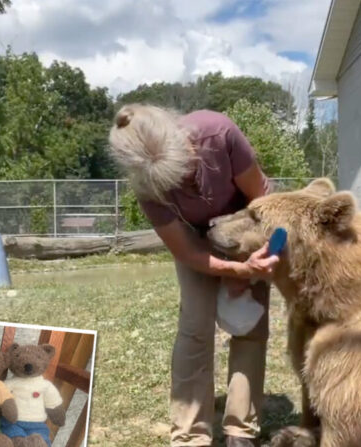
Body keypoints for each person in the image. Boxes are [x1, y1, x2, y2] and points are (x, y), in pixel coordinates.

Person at [108, 104, 279, 447]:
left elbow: (264, 199)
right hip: (195, 240)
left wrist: (258, 258)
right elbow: (186, 252)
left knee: (248, 325)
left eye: (180, 170)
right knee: (195, 329)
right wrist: (233, 270)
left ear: (182, 140)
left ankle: (240, 431)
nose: (181, 182)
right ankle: (190, 435)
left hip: (245, 229)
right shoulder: (146, 185)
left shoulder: (219, 134)